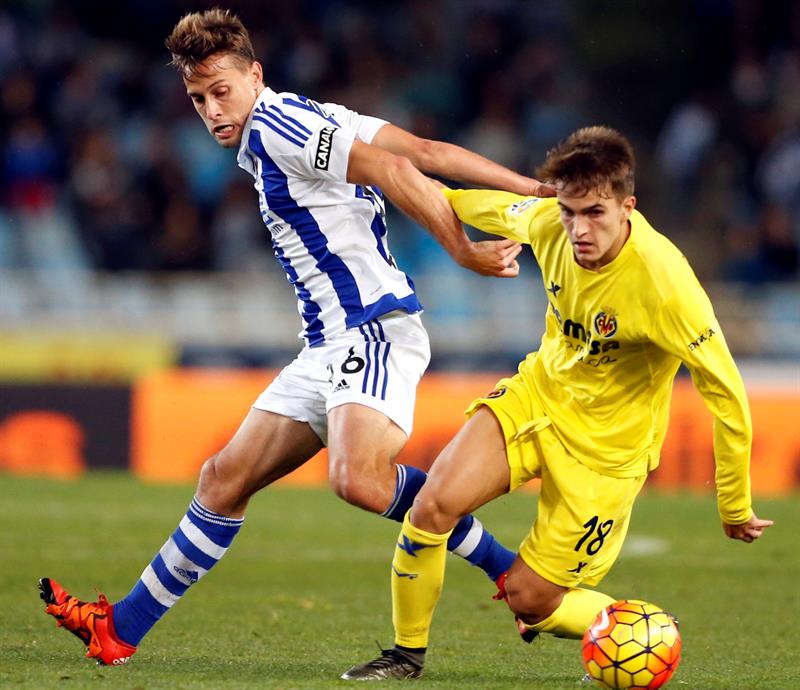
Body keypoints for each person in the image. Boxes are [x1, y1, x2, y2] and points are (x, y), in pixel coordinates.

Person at [37, 8, 557, 666]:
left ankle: (510, 570)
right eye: (198, 99)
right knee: (222, 479)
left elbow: (401, 172)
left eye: (221, 91)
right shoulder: (308, 114)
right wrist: (535, 190)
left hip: (371, 328)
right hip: (328, 344)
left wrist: (464, 251)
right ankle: (118, 631)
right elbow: (428, 152)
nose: (212, 110)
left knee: (360, 480)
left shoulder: (279, 127)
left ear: (254, 76)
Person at [342, 126, 774, 681]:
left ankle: (641, 632)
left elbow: (727, 394)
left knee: (530, 600)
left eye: (595, 213)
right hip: (538, 399)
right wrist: (382, 177)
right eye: (570, 212)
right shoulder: (549, 223)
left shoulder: (665, 284)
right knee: (431, 508)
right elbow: (462, 202)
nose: (579, 229)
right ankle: (405, 657)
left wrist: (734, 504)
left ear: (627, 207)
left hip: (605, 456)